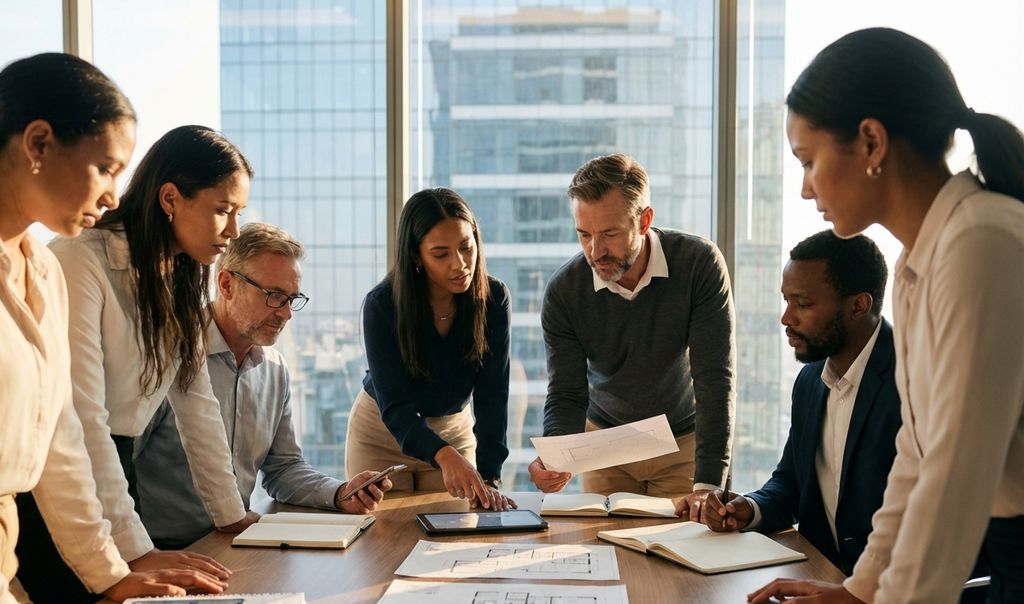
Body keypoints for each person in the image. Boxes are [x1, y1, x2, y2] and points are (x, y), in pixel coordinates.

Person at [720, 28, 1024, 604]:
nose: (804, 186)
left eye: (808, 160)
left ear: (871, 142)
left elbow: (956, 474)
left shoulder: (982, 243)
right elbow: (916, 459)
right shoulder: (926, 262)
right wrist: (860, 591)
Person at [0, 53, 212, 604]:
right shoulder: (76, 260)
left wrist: (111, 572)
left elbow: (61, 438)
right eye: (105, 167)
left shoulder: (41, 269)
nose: (114, 195)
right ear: (39, 142)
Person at [16, 125, 257, 604]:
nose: (234, 230)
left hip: (117, 469)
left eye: (239, 213)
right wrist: (133, 551)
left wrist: (231, 516)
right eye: (222, 209)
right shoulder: (79, 260)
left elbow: (198, 404)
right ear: (170, 198)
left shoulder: (179, 276)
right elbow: (83, 418)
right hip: (61, 485)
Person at [134, 222, 391, 548]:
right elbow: (118, 467)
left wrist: (340, 493)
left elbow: (282, 468)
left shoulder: (274, 370)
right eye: (274, 296)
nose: (286, 314)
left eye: (292, 299)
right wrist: (138, 556)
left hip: (234, 540)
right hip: (163, 551)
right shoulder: (167, 354)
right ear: (226, 284)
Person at [681, 230, 898, 576]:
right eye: (786, 301)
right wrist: (748, 509)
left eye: (803, 304)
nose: (786, 317)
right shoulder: (811, 380)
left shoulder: (914, 383)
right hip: (819, 576)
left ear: (858, 305)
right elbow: (791, 483)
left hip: (891, 594)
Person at [529, 153, 735, 498]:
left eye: (609, 233)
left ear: (644, 220)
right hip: (604, 448)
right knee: (605, 547)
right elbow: (566, 391)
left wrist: (710, 481)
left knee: (682, 545)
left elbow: (715, 378)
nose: (595, 251)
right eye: (584, 235)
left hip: (681, 443)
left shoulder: (698, 264)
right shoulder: (564, 291)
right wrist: (555, 454)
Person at [346, 187, 511, 510]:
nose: (460, 264)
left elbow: (493, 394)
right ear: (415, 256)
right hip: (382, 433)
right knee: (382, 547)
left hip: (453, 432)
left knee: (450, 542)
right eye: (441, 254)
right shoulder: (382, 305)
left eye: (466, 246)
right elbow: (394, 404)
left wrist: (489, 475)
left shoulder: (493, 299)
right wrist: (443, 454)